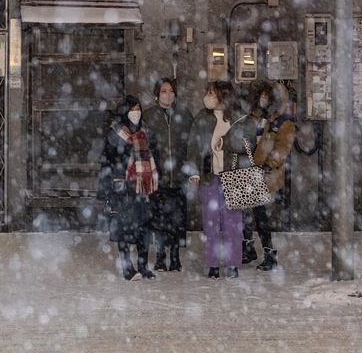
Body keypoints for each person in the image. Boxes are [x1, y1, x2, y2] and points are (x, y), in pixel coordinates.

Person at [187, 81, 257, 279]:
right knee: (210, 222)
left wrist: (226, 142)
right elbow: (193, 143)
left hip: (234, 176)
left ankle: (232, 264)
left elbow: (248, 142)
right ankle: (212, 264)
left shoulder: (239, 117)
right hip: (209, 176)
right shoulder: (202, 117)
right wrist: (194, 171)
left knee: (233, 224)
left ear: (223, 96)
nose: (208, 97)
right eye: (208, 92)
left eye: (212, 93)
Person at [98, 96, 160, 280]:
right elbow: (107, 162)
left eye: (138, 108)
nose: (136, 112)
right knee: (124, 228)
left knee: (144, 228)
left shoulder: (147, 132)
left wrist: (155, 181)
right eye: (132, 108)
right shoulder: (115, 134)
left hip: (144, 188)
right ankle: (127, 268)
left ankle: (143, 265)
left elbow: (155, 157)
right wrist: (107, 189)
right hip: (123, 188)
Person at [142, 78, 193, 272]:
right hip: (158, 177)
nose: (168, 93)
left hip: (180, 176)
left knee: (178, 219)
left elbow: (192, 143)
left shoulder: (184, 115)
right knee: (160, 218)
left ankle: (175, 256)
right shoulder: (149, 115)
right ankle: (162, 256)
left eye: (171, 90)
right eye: (164, 90)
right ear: (157, 94)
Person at [246, 81, 294, 271]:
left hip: (265, 174)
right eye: (262, 94)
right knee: (244, 213)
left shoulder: (283, 121)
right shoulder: (254, 116)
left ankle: (268, 253)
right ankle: (249, 247)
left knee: (260, 215)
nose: (263, 98)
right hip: (248, 171)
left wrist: (268, 165)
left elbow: (282, 148)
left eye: (268, 95)